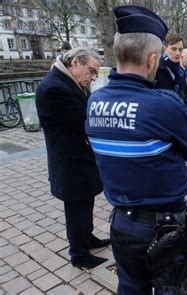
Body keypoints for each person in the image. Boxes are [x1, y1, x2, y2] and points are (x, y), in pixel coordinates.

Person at [85, 6, 187, 294]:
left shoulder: (94, 102)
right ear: (153, 58)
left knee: (130, 287)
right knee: (171, 288)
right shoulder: (162, 104)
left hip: (122, 223)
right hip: (164, 227)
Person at [36, 47, 110, 269]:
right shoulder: (53, 88)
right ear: (75, 62)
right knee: (76, 208)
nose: (94, 77)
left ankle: (87, 238)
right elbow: (84, 120)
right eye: (92, 71)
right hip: (70, 162)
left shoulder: (69, 81)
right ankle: (79, 254)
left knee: (85, 202)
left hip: (79, 158)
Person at [154, 34, 187, 103]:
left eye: (180, 50)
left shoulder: (181, 71)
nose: (177, 53)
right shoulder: (155, 67)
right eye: (174, 49)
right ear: (165, 48)